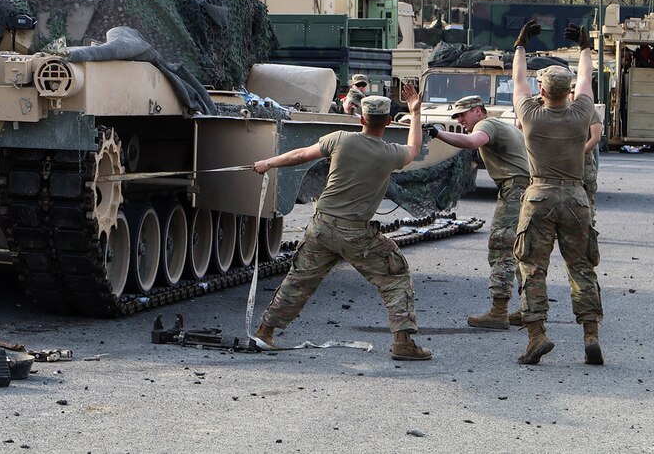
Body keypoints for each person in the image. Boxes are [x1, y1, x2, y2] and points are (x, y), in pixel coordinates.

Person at [252, 81, 432, 361]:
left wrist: (268, 163)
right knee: (395, 274)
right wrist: (416, 113)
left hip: (322, 227)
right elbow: (414, 147)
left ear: (361, 118)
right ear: (387, 121)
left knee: (298, 281)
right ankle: (403, 343)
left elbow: (300, 155)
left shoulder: (339, 139)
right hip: (357, 235)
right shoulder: (390, 154)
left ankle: (265, 332)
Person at [510, 20, 603, 365]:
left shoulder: (531, 115)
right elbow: (586, 80)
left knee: (533, 268)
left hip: (539, 196)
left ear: (543, 91)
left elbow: (519, 81)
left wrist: (520, 46)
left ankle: (537, 336)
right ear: (569, 93)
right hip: (576, 198)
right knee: (581, 267)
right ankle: (591, 335)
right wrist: (584, 49)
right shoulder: (582, 114)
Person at [429, 96, 530, 329]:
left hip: (515, 189)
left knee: (502, 246)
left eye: (463, 115)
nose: (460, 120)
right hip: (529, 189)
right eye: (456, 117)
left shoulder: (486, 125)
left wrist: (438, 134)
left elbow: (473, 142)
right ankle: (530, 308)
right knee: (525, 250)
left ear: (478, 111)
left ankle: (498, 311)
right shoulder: (503, 126)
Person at [570, 80, 603, 221]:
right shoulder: (563, 109)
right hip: (563, 161)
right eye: (570, 93)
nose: (573, 96)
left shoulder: (590, 111)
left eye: (575, 92)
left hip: (583, 162)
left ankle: (588, 228)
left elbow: (595, 138)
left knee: (586, 197)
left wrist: (579, 153)